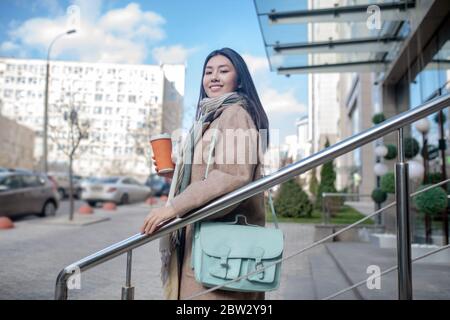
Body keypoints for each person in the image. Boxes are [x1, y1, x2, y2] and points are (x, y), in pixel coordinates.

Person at [141, 47, 269, 300]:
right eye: (208, 71)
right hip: (209, 245)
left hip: (221, 251)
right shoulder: (213, 117)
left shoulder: (235, 114)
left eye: (223, 71)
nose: (214, 77)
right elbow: (215, 171)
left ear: (239, 79)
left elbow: (231, 176)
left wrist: (173, 208)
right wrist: (179, 173)